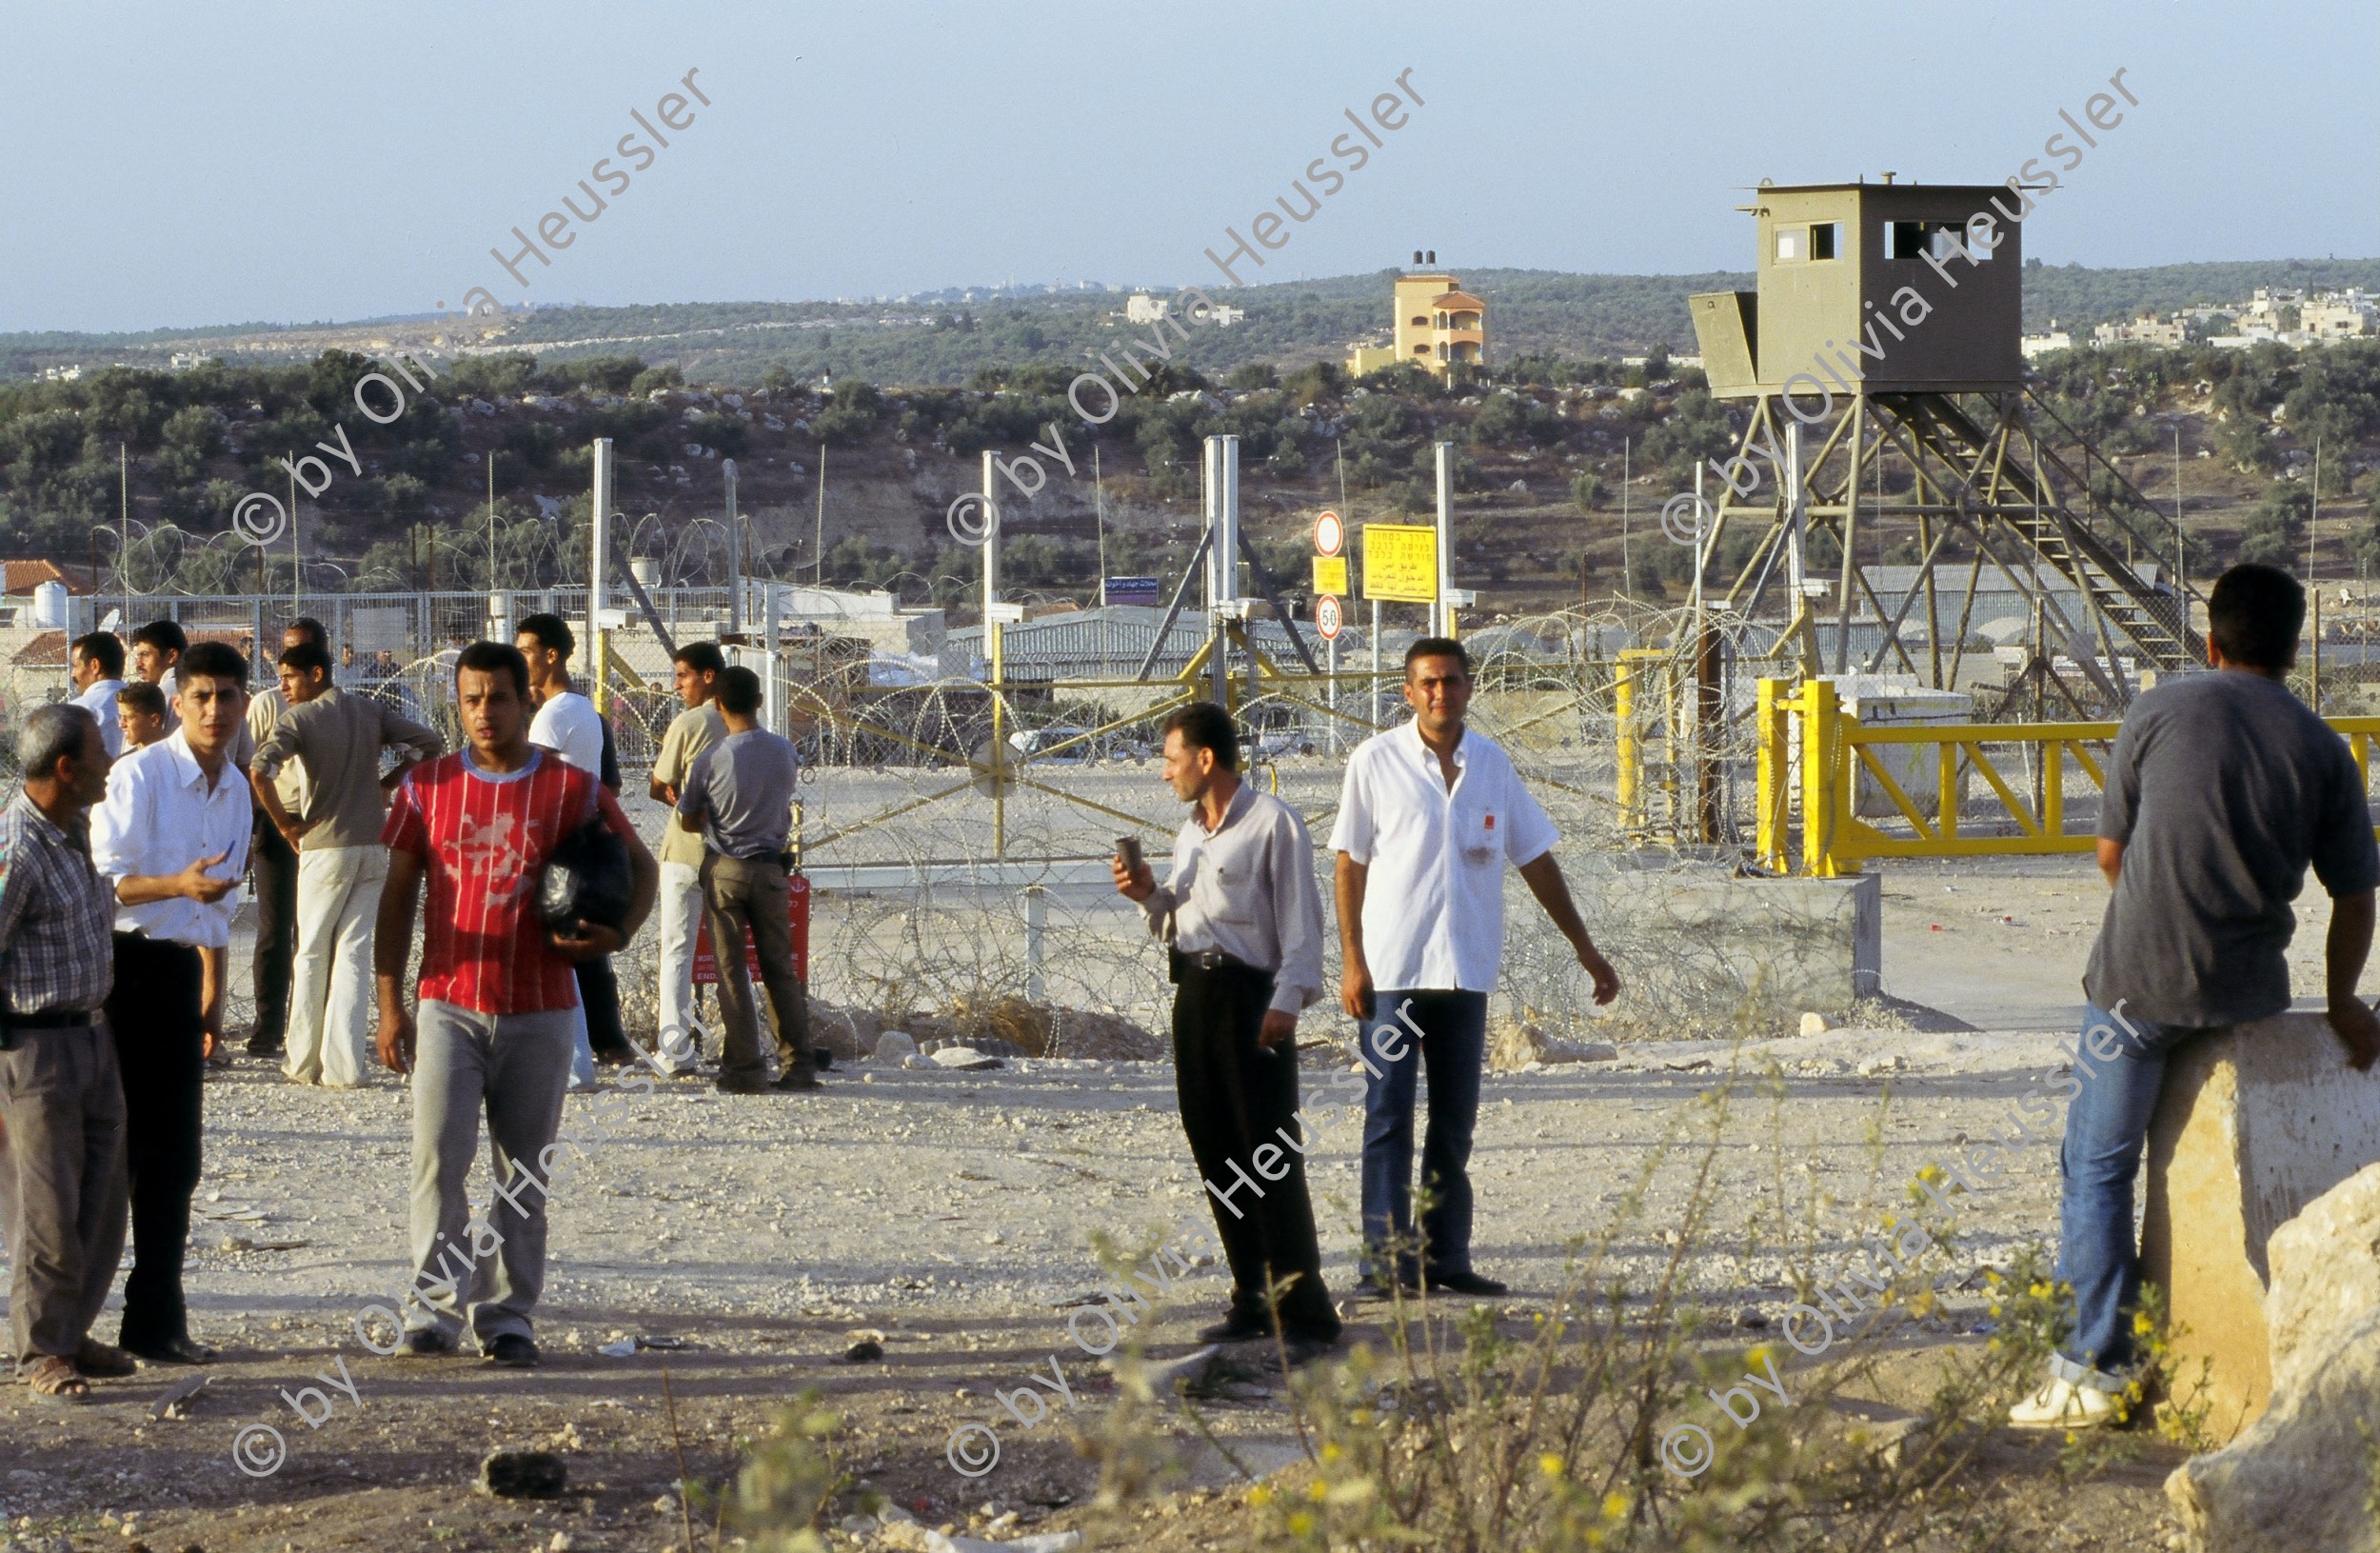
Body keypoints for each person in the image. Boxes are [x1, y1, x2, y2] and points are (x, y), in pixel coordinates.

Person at [2012, 564, 2380, 1429]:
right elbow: (2358, 894)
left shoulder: (2158, 709)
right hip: (2248, 994)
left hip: (2134, 993)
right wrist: (2343, 1001)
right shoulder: (2325, 748)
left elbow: (2112, 856)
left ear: (2210, 643)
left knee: (2096, 1165)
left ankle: (2093, 1368)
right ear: (2293, 649)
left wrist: (2162, 915)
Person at [375, 641, 657, 1365]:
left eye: (498, 697)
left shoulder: (570, 788)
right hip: (448, 1003)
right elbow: (397, 896)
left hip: (542, 1006)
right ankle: (433, 1313)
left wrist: (619, 933)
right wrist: (389, 1002)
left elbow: (642, 865)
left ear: (526, 700)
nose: (484, 712)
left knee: (523, 1174)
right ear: (457, 704)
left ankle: (507, 1319)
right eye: (470, 699)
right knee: (438, 1161)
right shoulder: (426, 787)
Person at [1331, 637, 1619, 1298]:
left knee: (1454, 1122)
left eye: (1453, 681)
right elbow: (1349, 863)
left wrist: (1585, 947)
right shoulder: (1374, 762)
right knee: (1388, 1118)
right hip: (1394, 974)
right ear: (1408, 692)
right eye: (1429, 683)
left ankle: (1445, 1257)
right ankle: (1385, 1264)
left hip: (1465, 973)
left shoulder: (1491, 765)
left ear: (1469, 686)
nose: (1442, 693)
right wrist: (1352, 960)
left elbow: (1534, 858)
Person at [1112, 703, 1339, 1362]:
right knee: (1216, 1150)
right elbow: (1176, 924)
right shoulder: (1189, 835)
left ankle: (1306, 1309)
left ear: (1204, 758)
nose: (1165, 773)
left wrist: (1288, 1000)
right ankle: (1253, 1297)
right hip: (1197, 994)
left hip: (1252, 998)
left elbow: (1301, 924)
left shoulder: (1272, 823)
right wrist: (1147, 894)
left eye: (1171, 758)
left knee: (1267, 1154)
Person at [90, 640, 252, 1365]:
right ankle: (64, 1325)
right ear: (177, 702)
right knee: (108, 1154)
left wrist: (213, 991)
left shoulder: (237, 788)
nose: (215, 711)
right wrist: (177, 885)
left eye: (228, 696)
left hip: (182, 973)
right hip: (121, 971)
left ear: (244, 703)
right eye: (202, 697)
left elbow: (218, 900)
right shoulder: (139, 775)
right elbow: (106, 885)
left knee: (176, 1157)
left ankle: (155, 1316)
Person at [0, 706, 130, 1401]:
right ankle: (42, 1351)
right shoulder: (16, 846)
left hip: (91, 1035)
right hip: (35, 1048)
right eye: (100, 752)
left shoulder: (72, 828)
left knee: (100, 1201)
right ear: (65, 768)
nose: (111, 761)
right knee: (45, 1210)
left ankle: (70, 1332)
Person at [251, 640, 442, 1088]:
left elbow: (260, 769)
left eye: (289, 677)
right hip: (373, 843)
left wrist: (285, 825)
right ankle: (345, 1065)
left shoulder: (299, 718)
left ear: (316, 674)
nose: (284, 687)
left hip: (324, 846)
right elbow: (427, 744)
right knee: (354, 952)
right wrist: (387, 783)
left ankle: (302, 1060)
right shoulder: (368, 710)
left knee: (312, 951)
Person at [677, 666, 814, 1094]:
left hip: (726, 869)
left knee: (731, 971)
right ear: (759, 701)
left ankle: (745, 1068)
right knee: (780, 970)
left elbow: (687, 818)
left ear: (717, 704)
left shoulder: (712, 757)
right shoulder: (784, 750)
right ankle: (798, 1066)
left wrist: (712, 818)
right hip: (771, 869)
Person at [515, 613, 633, 1085]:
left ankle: (574, 1061)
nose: (521, 659)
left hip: (556, 848)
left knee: (558, 957)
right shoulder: (585, 710)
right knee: (580, 956)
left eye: (526, 651)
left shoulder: (554, 714)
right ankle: (600, 1046)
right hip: (581, 844)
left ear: (552, 655)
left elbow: (530, 781)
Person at [240, 618, 330, 1062]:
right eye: (287, 653)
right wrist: (255, 828)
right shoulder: (268, 703)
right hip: (278, 824)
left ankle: (310, 1028)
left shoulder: (337, 707)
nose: (291, 663)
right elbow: (252, 769)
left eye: (302, 653)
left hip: (322, 826)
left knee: (315, 933)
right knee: (275, 930)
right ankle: (268, 1028)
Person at [649, 643, 728, 1074]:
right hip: (732, 853)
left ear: (708, 676)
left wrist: (679, 796)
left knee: (677, 952)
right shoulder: (742, 725)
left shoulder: (689, 723)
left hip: (684, 850)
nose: (677, 685)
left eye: (683, 676)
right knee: (731, 954)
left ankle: (676, 1051)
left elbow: (658, 783)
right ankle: (742, 1045)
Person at [69, 632, 128, 759]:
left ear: (95, 665)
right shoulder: (144, 706)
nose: (72, 674)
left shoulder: (78, 712)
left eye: (75, 666)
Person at [129, 620, 186, 698]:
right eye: (138, 656)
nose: (138, 664)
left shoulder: (165, 693)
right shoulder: (189, 685)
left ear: (171, 656)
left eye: (145, 654)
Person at [113, 683, 168, 751]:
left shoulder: (178, 755)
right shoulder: (128, 758)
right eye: (121, 717)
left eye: (128, 717)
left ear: (154, 720)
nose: (121, 725)